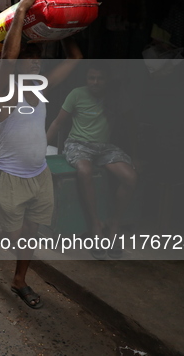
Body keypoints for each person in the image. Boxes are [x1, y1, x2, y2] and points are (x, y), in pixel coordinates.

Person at [0, 0, 83, 309]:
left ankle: (19, 280)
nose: (34, 63)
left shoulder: (42, 88)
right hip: (11, 176)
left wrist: (66, 27)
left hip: (40, 174)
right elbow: (7, 58)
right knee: (13, 233)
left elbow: (75, 58)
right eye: (28, 58)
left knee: (31, 232)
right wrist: (22, 9)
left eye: (37, 58)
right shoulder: (4, 91)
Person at [46, 63, 137, 259]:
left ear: (107, 80)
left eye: (100, 78)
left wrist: (136, 153)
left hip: (104, 147)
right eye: (91, 78)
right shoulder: (76, 94)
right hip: (78, 144)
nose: (95, 82)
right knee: (84, 170)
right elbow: (57, 122)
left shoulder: (114, 97)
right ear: (86, 79)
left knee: (130, 177)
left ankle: (113, 225)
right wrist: (40, 149)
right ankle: (96, 225)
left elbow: (131, 125)